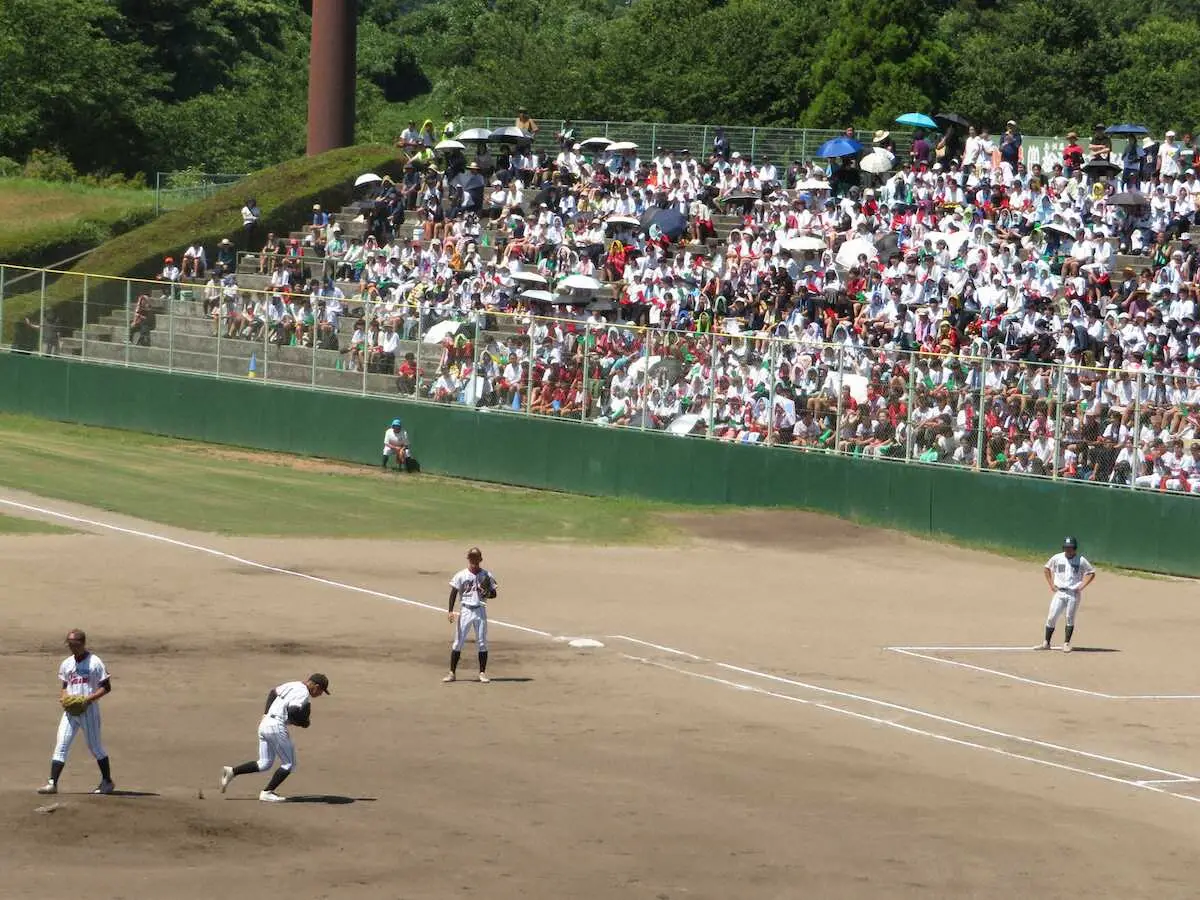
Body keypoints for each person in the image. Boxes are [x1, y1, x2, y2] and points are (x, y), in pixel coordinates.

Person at [219, 674, 330, 803]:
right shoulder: (303, 693)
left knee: (264, 763)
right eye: (321, 691)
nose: (320, 694)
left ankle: (232, 771)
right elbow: (293, 711)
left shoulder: (293, 684)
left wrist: (265, 713)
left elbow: (273, 693)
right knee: (290, 764)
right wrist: (304, 721)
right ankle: (267, 793)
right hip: (276, 727)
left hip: (265, 724)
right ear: (316, 686)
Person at [37, 629, 115, 795]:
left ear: (82, 643)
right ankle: (52, 783)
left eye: (74, 645)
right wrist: (64, 698)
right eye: (69, 645)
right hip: (71, 712)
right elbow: (65, 686)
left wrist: (88, 699)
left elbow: (106, 687)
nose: (71, 648)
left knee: (95, 747)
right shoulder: (67, 663)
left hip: (89, 710)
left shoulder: (95, 662)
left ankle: (107, 781)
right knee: (61, 745)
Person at [444, 547, 499, 683]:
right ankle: (452, 673)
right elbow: (454, 593)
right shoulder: (461, 575)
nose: (473, 560)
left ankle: (482, 673)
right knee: (458, 642)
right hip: (466, 611)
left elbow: (494, 594)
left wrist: (487, 593)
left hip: (480, 609)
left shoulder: (486, 575)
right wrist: (450, 611)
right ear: (469, 559)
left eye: (476, 558)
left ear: (480, 559)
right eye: (471, 558)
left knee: (482, 642)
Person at [1038, 536, 1096, 652]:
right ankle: (1046, 643)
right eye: (1066, 548)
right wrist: (1051, 584)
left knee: (1069, 618)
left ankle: (1066, 643)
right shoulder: (1057, 558)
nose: (1068, 550)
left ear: (1074, 548)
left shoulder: (1081, 560)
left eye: (1070, 548)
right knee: (1052, 617)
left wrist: (1082, 586)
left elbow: (1091, 572)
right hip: (1059, 592)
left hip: (1073, 594)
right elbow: (1046, 568)